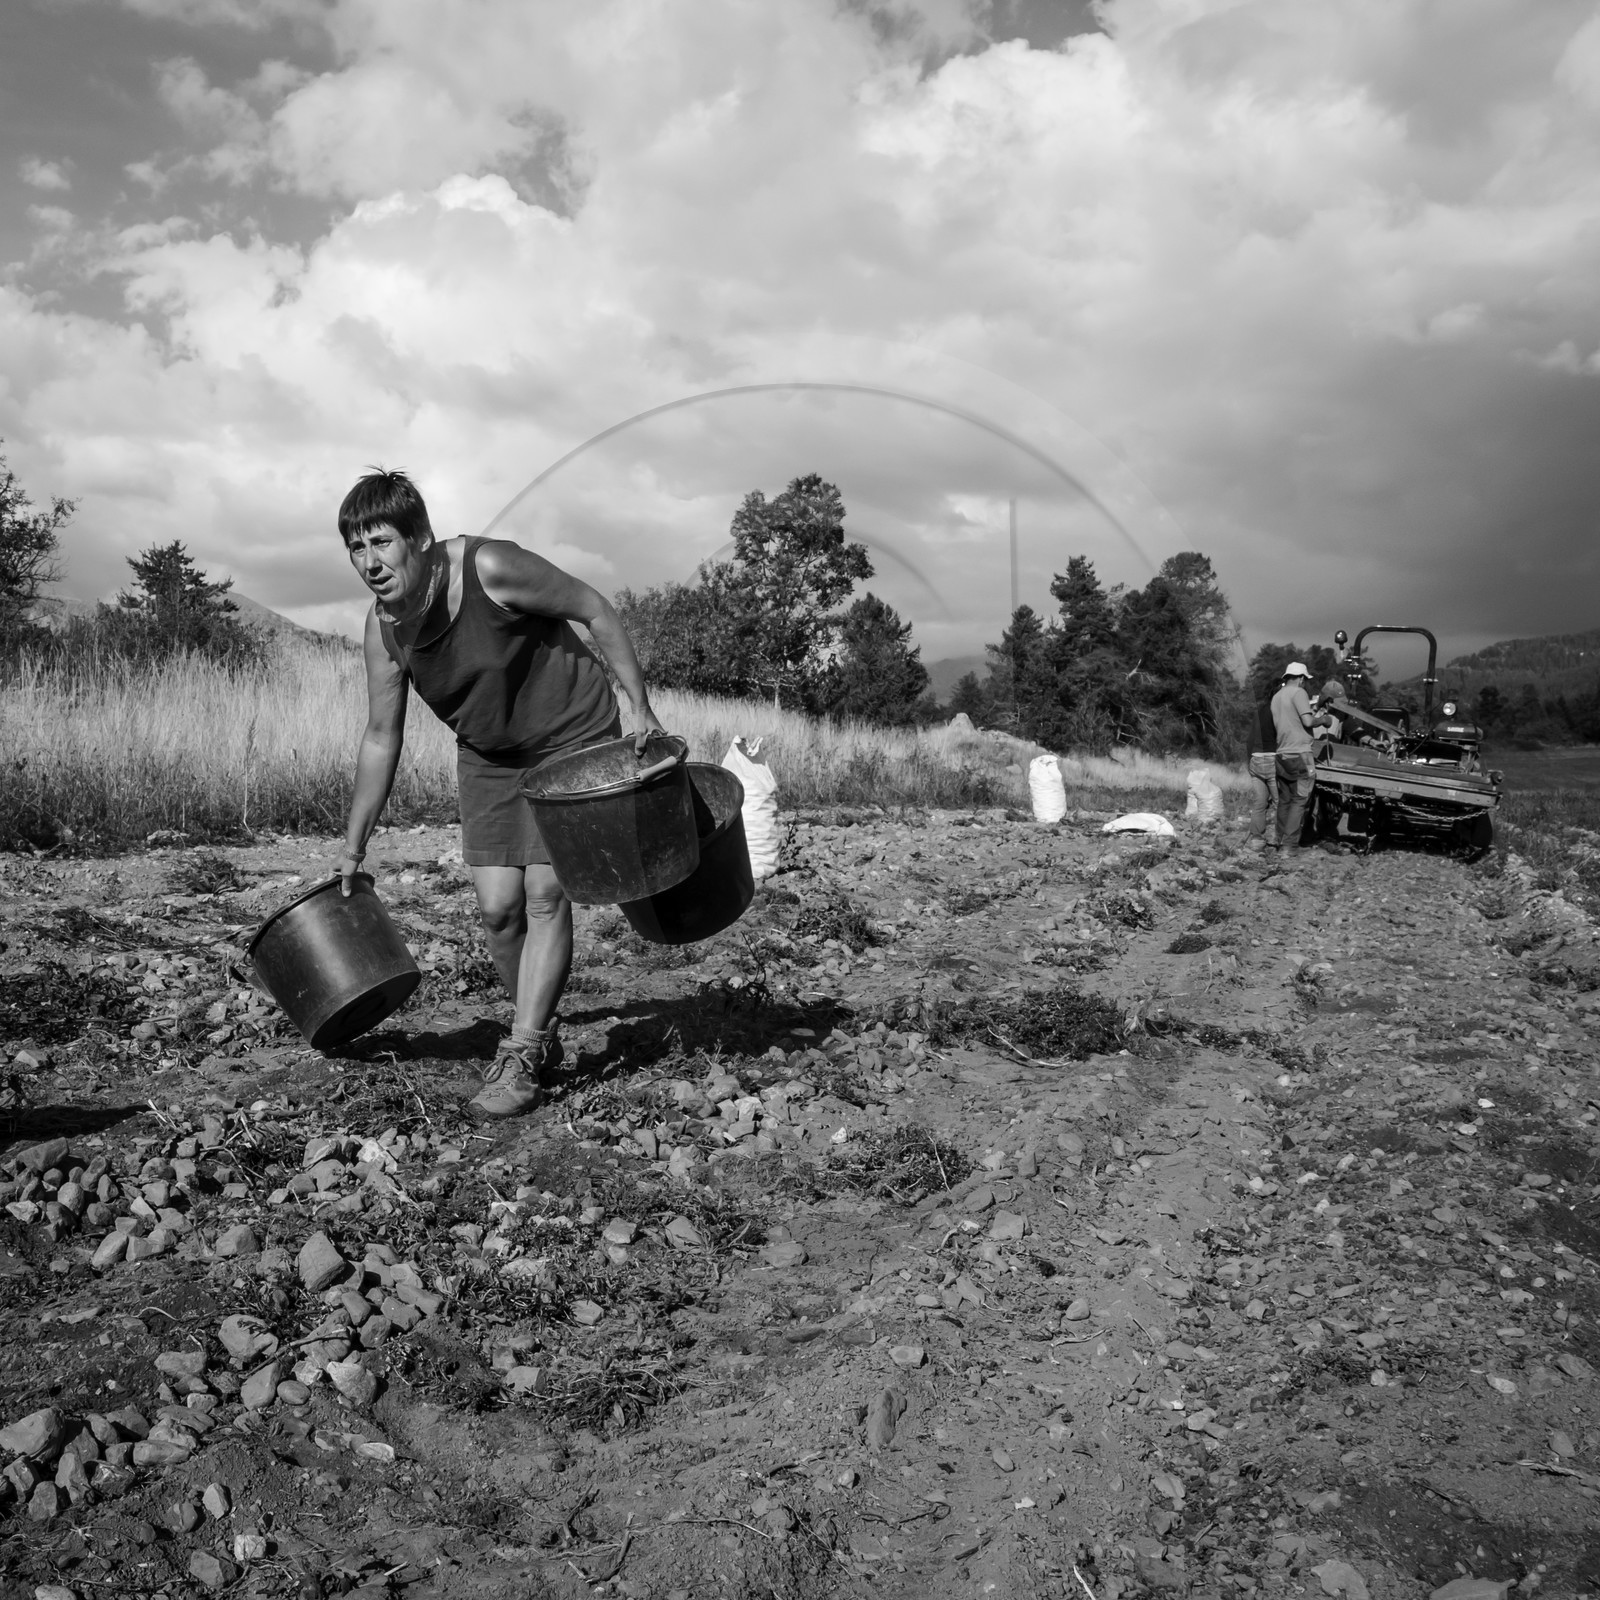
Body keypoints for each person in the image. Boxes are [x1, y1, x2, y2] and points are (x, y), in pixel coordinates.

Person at [335, 469, 665, 1118]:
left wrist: (642, 709)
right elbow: (380, 738)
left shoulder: (491, 568)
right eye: (356, 548)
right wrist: (353, 844)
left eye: (381, 542)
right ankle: (538, 1029)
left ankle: (523, 1051)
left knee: (543, 894)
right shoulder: (386, 632)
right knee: (498, 909)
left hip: (571, 731)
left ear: (421, 538)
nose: (370, 562)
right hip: (488, 754)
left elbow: (593, 608)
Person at [1271, 662, 1333, 852]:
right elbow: (1307, 721)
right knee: (1300, 800)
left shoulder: (1277, 696)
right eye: (1305, 680)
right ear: (1301, 679)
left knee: (1285, 799)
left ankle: (1278, 840)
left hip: (1282, 754)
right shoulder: (1299, 693)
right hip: (1300, 754)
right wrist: (1323, 719)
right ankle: (1289, 846)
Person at [1245, 690, 1278, 849]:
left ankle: (1256, 839)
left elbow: (1250, 738)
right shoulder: (1278, 710)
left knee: (1260, 802)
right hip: (1272, 758)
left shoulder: (1260, 710)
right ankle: (1281, 839)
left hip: (1255, 758)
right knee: (1279, 802)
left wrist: (1248, 761)